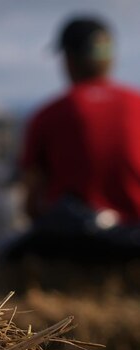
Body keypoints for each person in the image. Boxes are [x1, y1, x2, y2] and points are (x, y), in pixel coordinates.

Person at [21, 15, 140, 226]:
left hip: (75, 241)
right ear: (110, 57)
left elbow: (32, 203)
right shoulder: (136, 103)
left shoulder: (48, 115)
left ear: (68, 59)